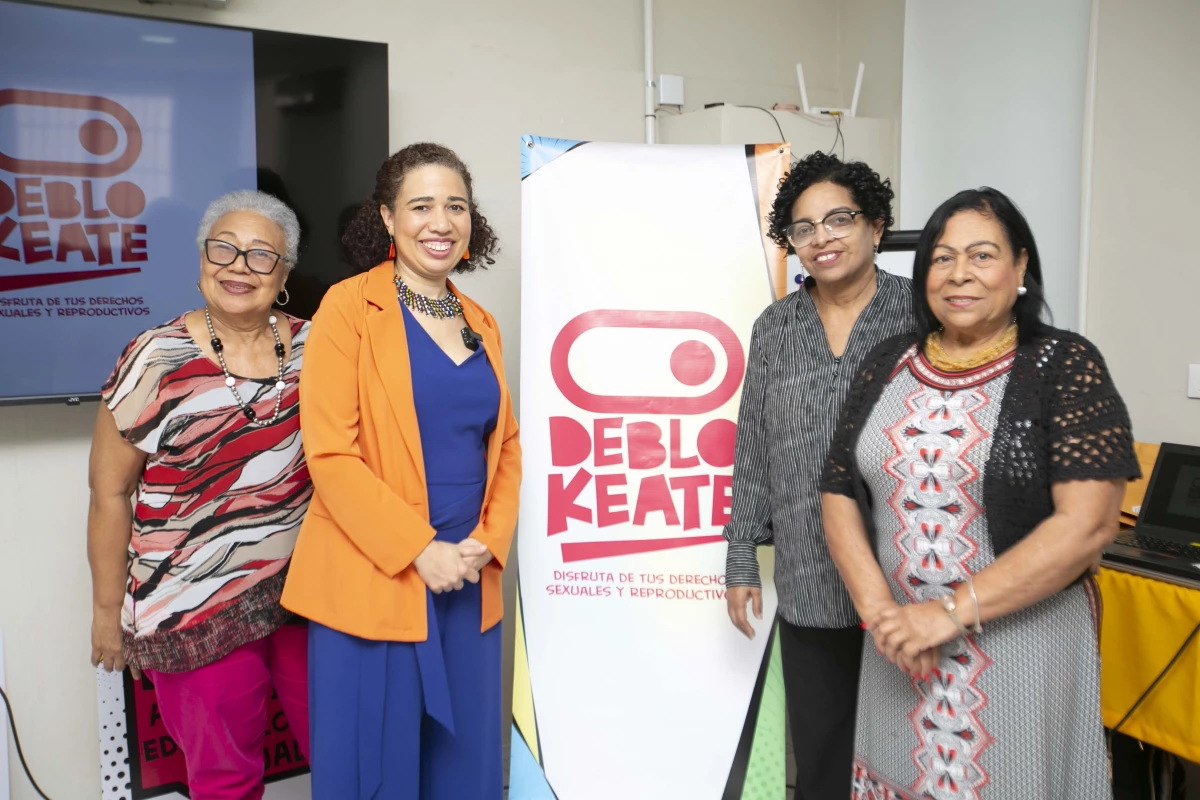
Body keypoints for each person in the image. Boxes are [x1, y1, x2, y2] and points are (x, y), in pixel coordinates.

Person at [821, 187, 1140, 798]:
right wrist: (884, 616)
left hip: (1021, 647)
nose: (959, 273)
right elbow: (837, 489)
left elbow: (1088, 525)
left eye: (982, 255)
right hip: (899, 648)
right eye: (942, 258)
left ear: (1020, 268)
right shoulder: (887, 361)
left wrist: (945, 615)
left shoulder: (1063, 364)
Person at [281, 142, 520, 799]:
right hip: (375, 575)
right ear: (387, 217)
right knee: (373, 773)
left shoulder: (480, 322)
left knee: (465, 772)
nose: (441, 222)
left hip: (466, 577)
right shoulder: (346, 308)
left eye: (456, 206)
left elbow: (506, 445)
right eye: (421, 206)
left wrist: (488, 542)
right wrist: (419, 550)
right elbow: (330, 453)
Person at [88, 190, 312, 800]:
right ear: (202, 258)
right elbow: (110, 492)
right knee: (225, 781)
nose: (240, 266)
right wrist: (107, 612)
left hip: (312, 595)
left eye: (262, 255)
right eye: (224, 249)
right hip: (190, 605)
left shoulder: (322, 348)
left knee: (350, 756)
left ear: (284, 274)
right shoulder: (154, 358)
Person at [722, 151, 915, 798]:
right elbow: (754, 445)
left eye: (838, 219)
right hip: (808, 569)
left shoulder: (920, 316)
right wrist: (741, 555)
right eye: (803, 228)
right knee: (824, 752)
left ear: (876, 225)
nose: (821, 238)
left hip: (907, 572)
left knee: (907, 748)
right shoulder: (777, 328)